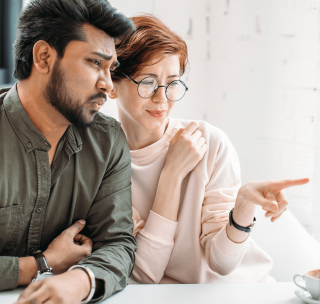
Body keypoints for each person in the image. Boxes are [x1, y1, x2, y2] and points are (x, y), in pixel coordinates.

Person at [0, 0, 136, 304]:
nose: (107, 83)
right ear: (43, 57)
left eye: (111, 69)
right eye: (95, 63)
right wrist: (42, 266)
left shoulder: (108, 142)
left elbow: (118, 243)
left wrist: (80, 281)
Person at [109, 14, 309, 284]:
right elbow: (144, 272)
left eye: (172, 83)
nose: (162, 98)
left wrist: (244, 205)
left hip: (239, 294)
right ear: (111, 84)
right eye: (147, 82)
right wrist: (172, 175)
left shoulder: (208, 142)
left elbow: (222, 264)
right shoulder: (102, 161)